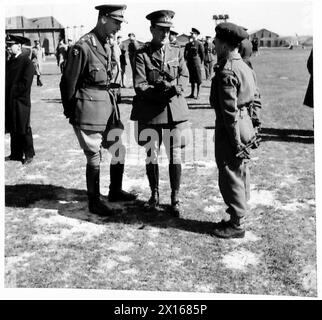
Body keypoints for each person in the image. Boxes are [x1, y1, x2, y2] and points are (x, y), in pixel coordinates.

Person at [60, 4, 136, 217]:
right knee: (94, 156)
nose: (119, 28)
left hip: (108, 107)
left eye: (121, 23)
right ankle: (94, 201)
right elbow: (68, 83)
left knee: (118, 150)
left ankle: (115, 191)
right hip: (89, 108)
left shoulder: (107, 44)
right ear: (103, 18)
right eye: (116, 22)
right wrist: (72, 111)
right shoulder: (83, 46)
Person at [130, 9, 190, 216]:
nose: (166, 33)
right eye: (161, 29)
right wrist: (163, 92)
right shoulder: (141, 54)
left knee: (174, 155)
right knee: (152, 154)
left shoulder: (177, 51)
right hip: (151, 112)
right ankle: (154, 195)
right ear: (152, 29)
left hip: (174, 112)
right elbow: (140, 85)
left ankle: (175, 197)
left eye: (168, 30)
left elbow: (184, 75)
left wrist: (178, 87)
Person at [209, 22, 261, 239]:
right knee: (241, 171)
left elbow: (229, 112)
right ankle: (237, 216)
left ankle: (237, 223)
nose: (213, 44)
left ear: (224, 45)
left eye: (216, 41)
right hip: (245, 122)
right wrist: (256, 127)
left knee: (230, 172)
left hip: (233, 128)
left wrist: (235, 140)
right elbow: (256, 98)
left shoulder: (227, 70)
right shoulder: (245, 66)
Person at [5, 34, 35, 165]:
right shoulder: (9, 61)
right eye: (7, 46)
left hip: (21, 100)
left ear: (19, 46)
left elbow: (25, 83)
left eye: (10, 45)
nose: (8, 48)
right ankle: (16, 153)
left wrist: (12, 91)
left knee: (23, 127)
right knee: (13, 126)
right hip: (10, 100)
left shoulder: (26, 62)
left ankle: (29, 154)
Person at [184, 27, 204, 99]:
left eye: (193, 34)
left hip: (197, 63)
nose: (191, 35)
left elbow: (202, 55)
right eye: (191, 34)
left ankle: (198, 94)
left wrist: (200, 63)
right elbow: (185, 54)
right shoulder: (188, 44)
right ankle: (192, 94)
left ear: (196, 35)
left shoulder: (199, 44)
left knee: (198, 79)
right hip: (190, 63)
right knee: (192, 79)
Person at [108, 34, 122, 103]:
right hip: (114, 65)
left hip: (115, 65)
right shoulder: (112, 46)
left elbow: (116, 58)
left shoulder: (114, 46)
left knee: (114, 82)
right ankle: (116, 98)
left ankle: (116, 98)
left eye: (110, 39)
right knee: (115, 82)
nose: (109, 41)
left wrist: (118, 67)